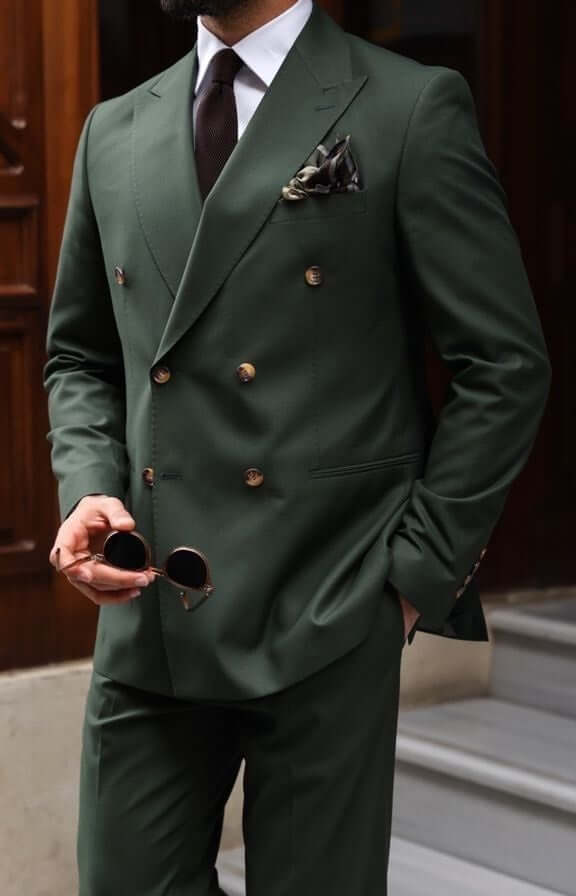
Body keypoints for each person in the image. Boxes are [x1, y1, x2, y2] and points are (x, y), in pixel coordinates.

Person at [43, 0, 551, 893]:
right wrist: (88, 486)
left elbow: (504, 366)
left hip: (328, 608)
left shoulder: (407, 106)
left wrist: (411, 579)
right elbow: (80, 356)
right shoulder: (111, 130)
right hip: (153, 617)